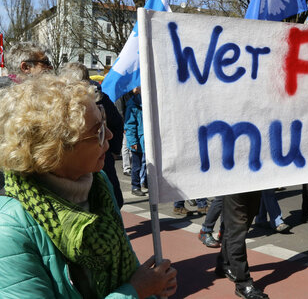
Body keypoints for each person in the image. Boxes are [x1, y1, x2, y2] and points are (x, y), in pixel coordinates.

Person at [0, 74, 177, 297]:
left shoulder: (98, 185)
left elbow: (126, 263)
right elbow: (133, 286)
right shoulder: (9, 229)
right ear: (53, 151)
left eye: (104, 122)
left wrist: (153, 289)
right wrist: (136, 291)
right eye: (98, 132)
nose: (110, 135)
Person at [60, 62, 125, 208]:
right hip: (79, 160)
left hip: (100, 156)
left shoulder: (100, 98)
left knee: (111, 197)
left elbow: (116, 123)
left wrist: (113, 150)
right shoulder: (62, 102)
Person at [215, 191, 268, 299]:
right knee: (237, 232)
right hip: (236, 186)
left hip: (255, 185)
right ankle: (243, 284)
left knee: (237, 228)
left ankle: (224, 263)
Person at [124, 86, 147, 197]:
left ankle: (146, 183)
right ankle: (135, 186)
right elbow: (130, 125)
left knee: (148, 164)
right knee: (136, 165)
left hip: (146, 138)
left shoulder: (146, 102)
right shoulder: (132, 105)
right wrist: (133, 142)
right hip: (138, 140)